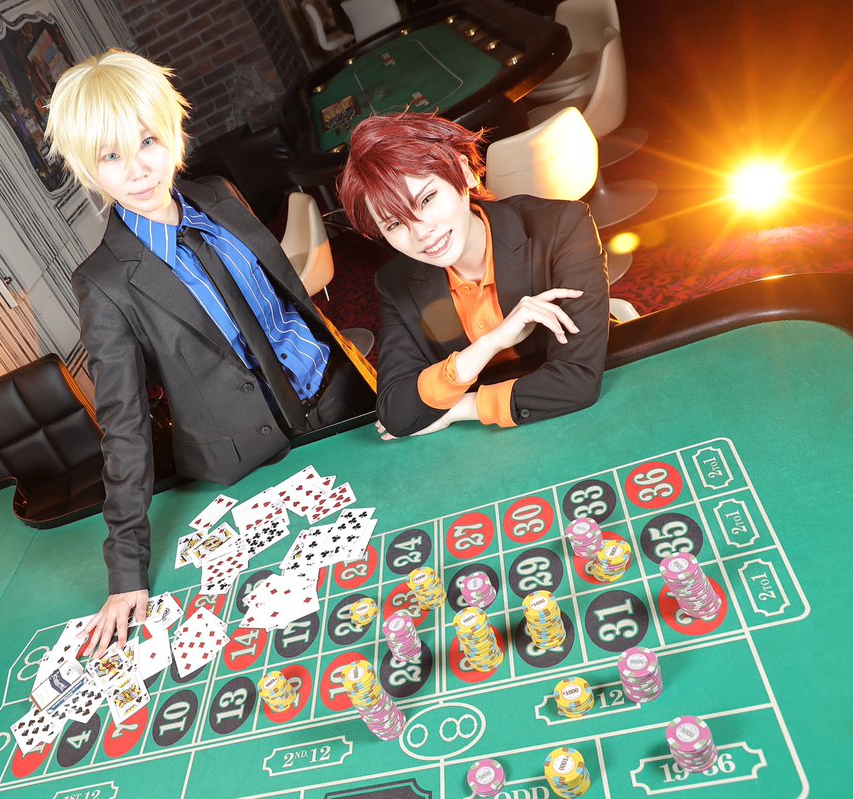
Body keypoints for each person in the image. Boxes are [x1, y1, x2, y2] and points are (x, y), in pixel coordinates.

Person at [44, 50, 376, 657]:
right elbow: (124, 426)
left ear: (172, 131)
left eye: (147, 141)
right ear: (87, 168)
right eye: (110, 156)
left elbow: (288, 299)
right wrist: (125, 572)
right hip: (253, 460)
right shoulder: (103, 282)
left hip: (340, 394)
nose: (138, 170)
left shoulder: (219, 195)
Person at [337, 112, 609, 440]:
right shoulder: (396, 281)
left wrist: (461, 408)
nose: (421, 234)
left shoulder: (563, 226)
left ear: (463, 173)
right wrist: (491, 343)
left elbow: (578, 380)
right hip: (499, 445)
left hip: (591, 415)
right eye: (394, 224)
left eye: (427, 199)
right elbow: (396, 413)